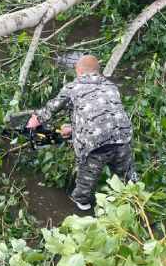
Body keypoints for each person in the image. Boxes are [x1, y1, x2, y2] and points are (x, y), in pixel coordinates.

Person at [27, 54, 136, 211]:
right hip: (122, 139)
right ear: (98, 71)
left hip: (95, 146)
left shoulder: (73, 87)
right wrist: (74, 130)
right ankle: (133, 202)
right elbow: (104, 115)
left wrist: (35, 120)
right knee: (128, 180)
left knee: (84, 187)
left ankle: (83, 208)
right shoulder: (111, 86)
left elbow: (52, 108)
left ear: (79, 71)